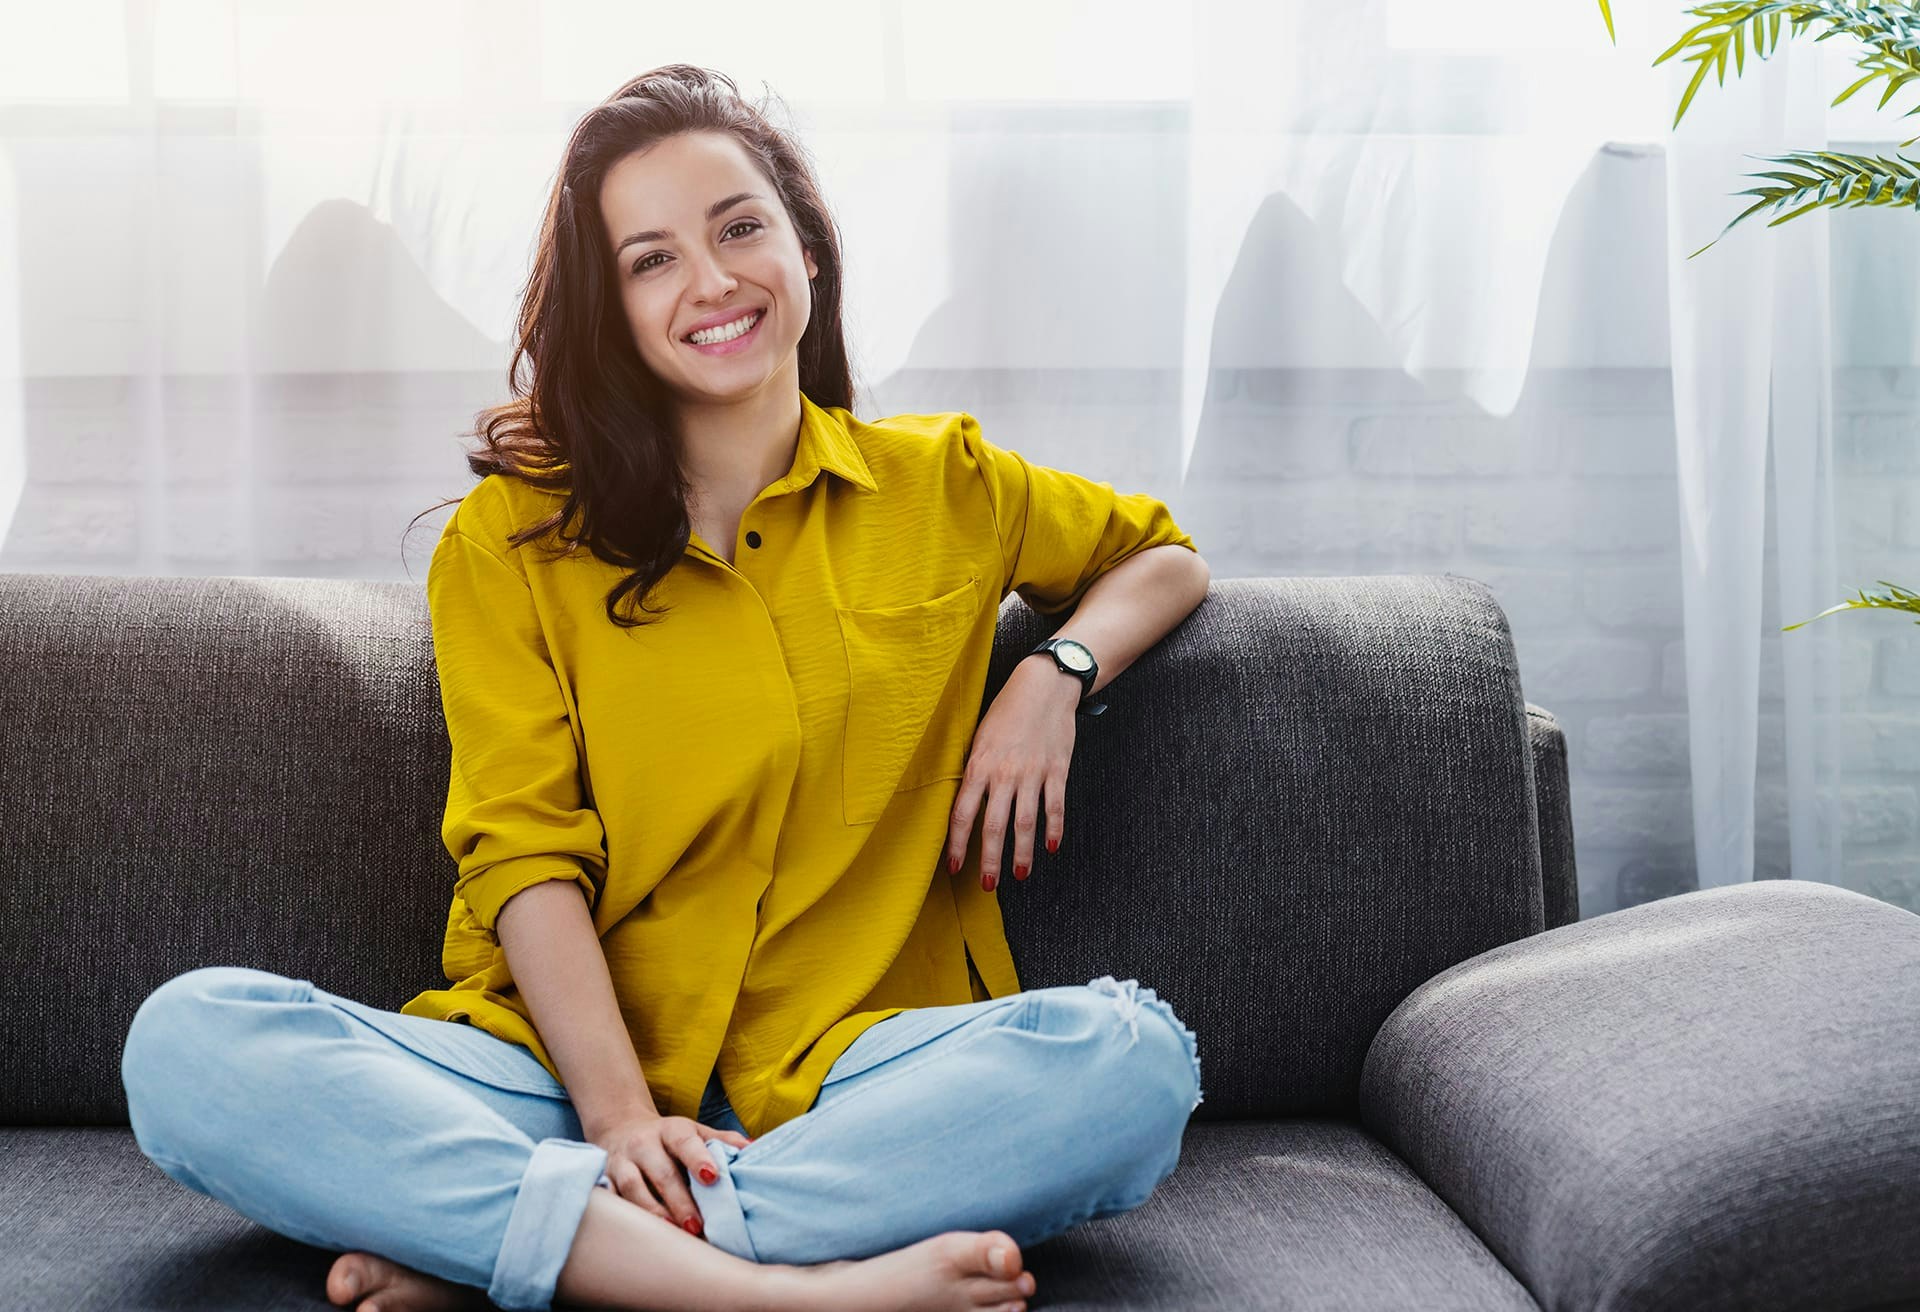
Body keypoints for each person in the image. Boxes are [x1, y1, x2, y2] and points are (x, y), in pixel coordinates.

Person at [120, 63, 1210, 1312]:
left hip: (853, 1073)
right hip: (550, 1081)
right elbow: (521, 853)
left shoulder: (949, 487)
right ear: (614, 308)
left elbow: (1162, 556)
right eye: (651, 260)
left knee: (1129, 1061)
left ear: (804, 244)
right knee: (188, 1042)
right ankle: (776, 1291)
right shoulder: (515, 537)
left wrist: (1054, 675)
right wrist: (621, 1117)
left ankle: (540, 1258)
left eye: (739, 226)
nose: (711, 281)